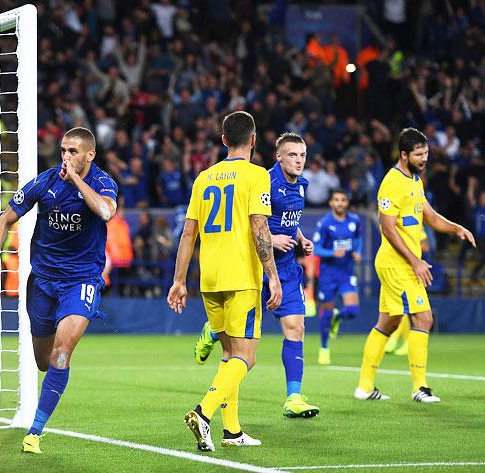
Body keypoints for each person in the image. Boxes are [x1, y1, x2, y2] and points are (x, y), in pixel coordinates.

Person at [0, 127, 118, 453]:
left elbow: (106, 212)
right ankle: (52, 364)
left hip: (81, 281)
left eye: (72, 152)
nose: (65, 157)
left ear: (90, 155)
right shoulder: (45, 181)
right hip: (42, 281)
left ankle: (35, 432)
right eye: (63, 150)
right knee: (43, 361)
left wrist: (77, 183)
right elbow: (4, 220)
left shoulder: (103, 183)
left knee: (62, 354)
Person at [167, 111, 281, 452]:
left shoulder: (204, 178)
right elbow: (259, 226)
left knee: (230, 353)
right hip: (242, 276)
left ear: (223, 139)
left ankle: (232, 432)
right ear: (254, 140)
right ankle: (204, 413)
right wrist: (273, 276)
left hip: (210, 278)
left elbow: (189, 231)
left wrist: (178, 281)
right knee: (247, 356)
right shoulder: (257, 176)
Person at [194, 132, 321, 419]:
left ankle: (294, 397)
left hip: (286, 269)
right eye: (292, 155)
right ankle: (212, 331)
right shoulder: (264, 180)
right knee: (243, 347)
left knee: (295, 328)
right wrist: (272, 239)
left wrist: (300, 238)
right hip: (256, 268)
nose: (298, 160)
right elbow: (253, 222)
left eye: (302, 155)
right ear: (279, 156)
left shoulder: (301, 186)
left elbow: (290, 221)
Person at [355, 128, 475, 403]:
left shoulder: (415, 180)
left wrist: (456, 228)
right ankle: (420, 387)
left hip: (402, 263)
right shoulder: (392, 182)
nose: (424, 159)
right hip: (398, 264)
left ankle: (364, 386)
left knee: (388, 322)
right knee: (424, 318)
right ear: (404, 154)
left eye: (427, 154)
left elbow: (430, 216)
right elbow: (387, 227)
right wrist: (415, 261)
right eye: (419, 155)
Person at [312, 189, 362, 365]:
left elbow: (358, 239)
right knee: (326, 311)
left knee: (353, 310)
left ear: (347, 203)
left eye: (343, 199)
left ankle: (337, 318)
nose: (340, 202)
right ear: (331, 203)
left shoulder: (354, 221)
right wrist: (332, 252)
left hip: (347, 272)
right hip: (328, 275)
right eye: (336, 200)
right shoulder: (325, 223)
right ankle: (324, 348)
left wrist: (358, 252)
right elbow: (316, 248)